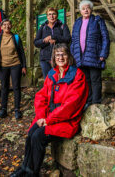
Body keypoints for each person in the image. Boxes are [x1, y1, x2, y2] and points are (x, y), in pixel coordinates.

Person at [10, 44, 88, 177]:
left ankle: (32, 173)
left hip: (67, 120)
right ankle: (25, 168)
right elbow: (41, 96)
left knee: (38, 136)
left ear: (69, 56)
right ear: (54, 57)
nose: (60, 57)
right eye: (57, 55)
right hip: (48, 117)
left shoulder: (77, 75)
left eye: (63, 54)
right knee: (31, 133)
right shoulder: (52, 73)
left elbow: (70, 106)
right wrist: (41, 117)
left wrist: (48, 120)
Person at [71, 0, 110, 106]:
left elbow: (105, 37)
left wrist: (103, 53)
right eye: (83, 9)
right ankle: (88, 101)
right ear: (80, 11)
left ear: (91, 9)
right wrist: (73, 54)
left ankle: (96, 102)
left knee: (95, 80)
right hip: (80, 57)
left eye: (88, 8)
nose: (86, 10)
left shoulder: (97, 20)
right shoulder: (77, 22)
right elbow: (74, 40)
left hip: (94, 55)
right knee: (86, 80)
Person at [0, 19, 27, 119]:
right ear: (1, 27)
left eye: (9, 24)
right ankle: (3, 109)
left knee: (16, 87)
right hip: (3, 66)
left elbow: (21, 52)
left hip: (16, 64)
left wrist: (24, 66)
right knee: (4, 87)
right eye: (4, 25)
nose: (7, 26)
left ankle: (17, 109)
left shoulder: (16, 37)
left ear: (11, 26)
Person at [34, 7, 71, 79]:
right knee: (48, 81)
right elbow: (36, 42)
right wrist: (44, 40)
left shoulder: (62, 26)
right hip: (45, 59)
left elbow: (67, 39)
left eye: (53, 14)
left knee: (60, 80)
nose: (51, 16)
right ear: (47, 16)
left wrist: (54, 38)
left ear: (57, 15)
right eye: (49, 14)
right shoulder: (43, 27)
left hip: (60, 58)